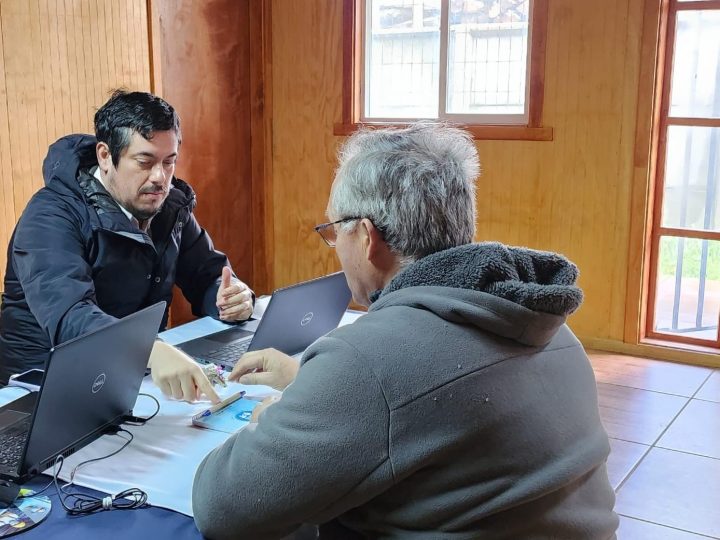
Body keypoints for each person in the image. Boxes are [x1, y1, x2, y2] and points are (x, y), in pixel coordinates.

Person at [192, 124, 618, 539]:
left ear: (365, 236)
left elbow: (222, 509)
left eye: (333, 230)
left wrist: (268, 421)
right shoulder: (547, 325)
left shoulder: (368, 361)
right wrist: (312, 384)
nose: (335, 245)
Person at [0, 90, 253, 402]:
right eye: (144, 162)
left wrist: (228, 297)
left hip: (130, 377)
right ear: (105, 156)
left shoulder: (169, 205)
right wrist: (147, 349)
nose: (161, 177)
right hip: (43, 388)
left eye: (169, 161)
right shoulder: (50, 216)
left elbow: (207, 274)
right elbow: (71, 317)